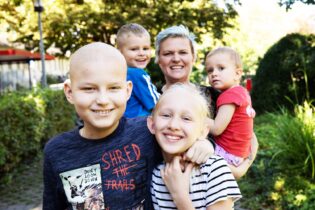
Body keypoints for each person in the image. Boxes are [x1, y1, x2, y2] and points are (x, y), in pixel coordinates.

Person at [43, 42, 214, 210]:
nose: (103, 100)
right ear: (69, 92)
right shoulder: (57, 151)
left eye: (113, 88)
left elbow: (182, 139)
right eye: (89, 89)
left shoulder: (147, 131)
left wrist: (204, 143)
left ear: (127, 90)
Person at [155, 25, 258, 179]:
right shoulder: (150, 99)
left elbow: (249, 135)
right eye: (168, 53)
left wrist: (241, 168)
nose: (176, 58)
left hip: (209, 190)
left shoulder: (215, 95)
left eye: (183, 52)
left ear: (193, 58)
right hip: (162, 185)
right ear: (158, 59)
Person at [148, 83, 242, 210]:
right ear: (152, 124)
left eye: (186, 118)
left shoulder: (214, 169)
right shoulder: (157, 174)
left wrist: (180, 196)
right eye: (166, 115)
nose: (173, 125)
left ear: (203, 131)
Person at [205, 47, 256, 167]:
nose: (214, 74)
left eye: (221, 68)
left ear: (237, 74)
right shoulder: (242, 92)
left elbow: (217, 129)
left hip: (227, 154)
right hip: (240, 154)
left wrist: (197, 117)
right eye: (210, 70)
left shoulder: (229, 96)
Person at [116, 23, 160, 118]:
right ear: (120, 52)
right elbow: (156, 103)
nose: (141, 53)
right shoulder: (138, 74)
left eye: (145, 48)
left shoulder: (117, 73)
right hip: (139, 123)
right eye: (134, 49)